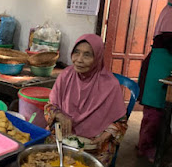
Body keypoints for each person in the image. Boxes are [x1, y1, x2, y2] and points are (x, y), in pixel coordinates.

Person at [44, 34, 127, 166]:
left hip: (93, 143)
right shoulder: (66, 75)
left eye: (87, 55)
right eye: (76, 53)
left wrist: (105, 136)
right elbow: (49, 106)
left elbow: (121, 123)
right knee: (46, 157)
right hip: (65, 134)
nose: (79, 60)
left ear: (97, 58)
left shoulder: (110, 85)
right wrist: (60, 115)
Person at [137, 0, 172, 163]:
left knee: (162, 113)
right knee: (153, 114)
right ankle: (144, 147)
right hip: (158, 70)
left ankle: (148, 144)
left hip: (166, 69)